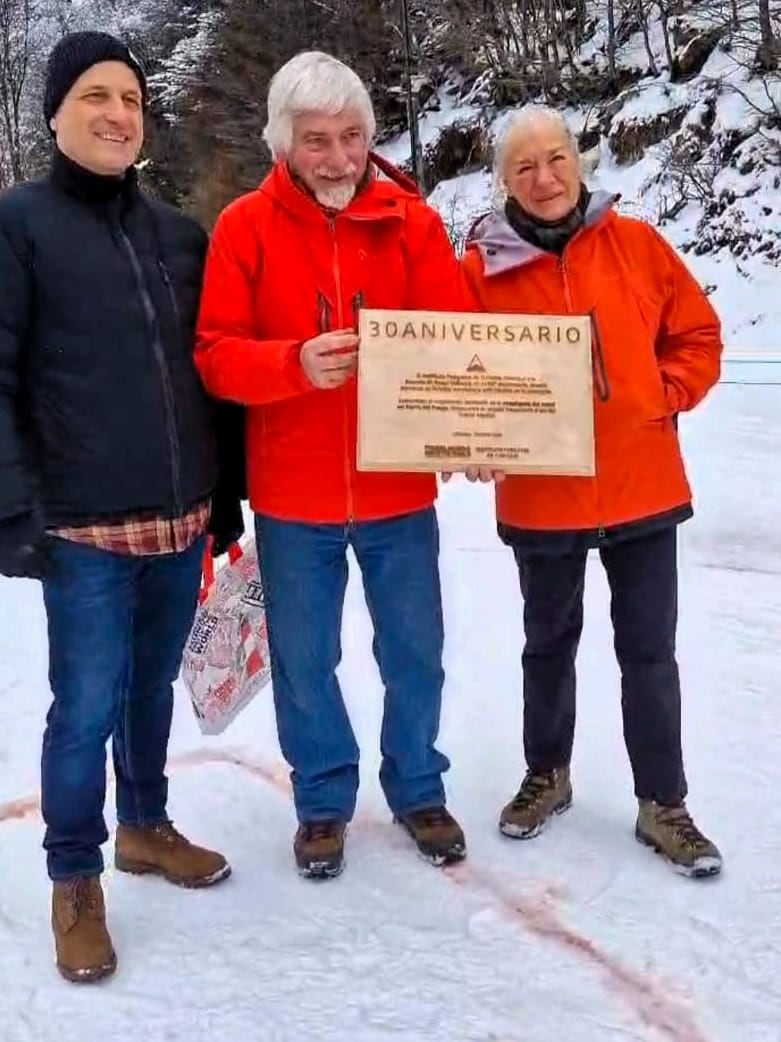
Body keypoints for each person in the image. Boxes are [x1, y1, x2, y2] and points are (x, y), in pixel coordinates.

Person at [0, 32, 245, 983]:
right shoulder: (17, 225)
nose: (116, 114)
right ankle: (75, 878)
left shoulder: (179, 235)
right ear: (56, 112)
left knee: (150, 690)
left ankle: (144, 825)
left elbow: (207, 381)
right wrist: (16, 510)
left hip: (178, 519)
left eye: (132, 100)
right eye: (96, 96)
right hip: (83, 528)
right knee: (85, 705)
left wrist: (222, 496)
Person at [195, 50, 469, 880]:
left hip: (396, 488)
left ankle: (418, 785)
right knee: (306, 659)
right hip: (293, 493)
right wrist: (293, 365)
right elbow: (214, 356)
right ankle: (321, 799)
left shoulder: (411, 221)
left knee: (415, 651)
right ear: (283, 141)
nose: (340, 158)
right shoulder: (245, 225)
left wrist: (465, 432)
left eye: (352, 137)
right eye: (317, 140)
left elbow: (455, 343)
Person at [461, 104, 724, 878]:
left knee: (649, 653)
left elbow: (697, 335)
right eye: (522, 167)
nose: (543, 178)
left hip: (641, 488)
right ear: (502, 179)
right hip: (542, 496)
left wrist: (661, 393)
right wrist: (470, 439)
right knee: (547, 647)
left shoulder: (636, 244)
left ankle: (662, 803)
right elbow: (450, 371)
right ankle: (547, 774)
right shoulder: (479, 269)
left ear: (578, 163)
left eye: (555, 159)